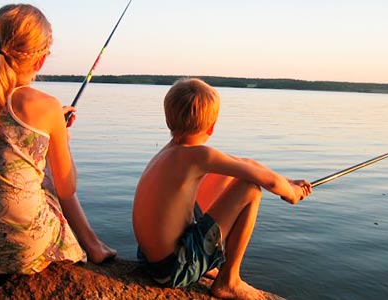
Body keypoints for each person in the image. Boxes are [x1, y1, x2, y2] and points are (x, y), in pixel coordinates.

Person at [0, 4, 116, 275]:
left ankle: (93, 245)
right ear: (41, 60)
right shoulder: (47, 106)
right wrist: (61, 137)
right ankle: (94, 246)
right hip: (23, 250)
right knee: (49, 183)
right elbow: (67, 188)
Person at [132, 78, 312, 299]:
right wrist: (291, 193)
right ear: (212, 125)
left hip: (150, 261)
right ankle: (229, 281)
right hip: (173, 269)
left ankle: (204, 265)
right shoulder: (201, 156)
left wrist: (289, 181)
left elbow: (245, 164)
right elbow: (269, 183)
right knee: (250, 189)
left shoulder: (171, 153)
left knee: (229, 176)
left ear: (169, 119)